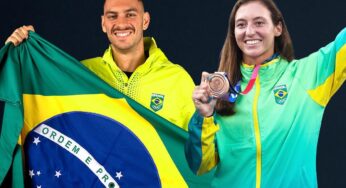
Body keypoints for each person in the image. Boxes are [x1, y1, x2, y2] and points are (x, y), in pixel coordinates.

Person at [185, 0, 346, 187]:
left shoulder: (306, 76)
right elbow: (199, 166)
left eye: (259, 22)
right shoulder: (220, 92)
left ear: (278, 28)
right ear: (233, 33)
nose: (250, 31)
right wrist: (204, 116)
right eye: (241, 24)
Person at [5, 0, 195, 130]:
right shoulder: (82, 75)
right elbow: (33, 96)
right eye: (112, 16)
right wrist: (21, 55)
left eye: (130, 14)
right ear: (103, 23)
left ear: (145, 20)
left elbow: (202, 150)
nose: (121, 23)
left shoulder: (177, 79)